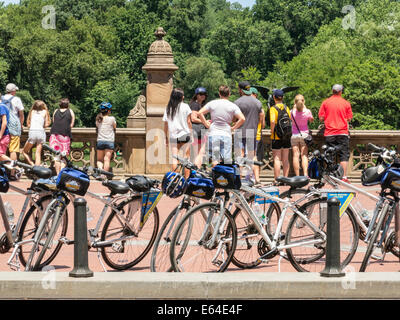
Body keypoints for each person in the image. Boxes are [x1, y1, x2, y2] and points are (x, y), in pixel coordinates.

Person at [197, 85, 245, 166]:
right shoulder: (232, 106)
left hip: (214, 133)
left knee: (215, 159)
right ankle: (224, 177)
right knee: (226, 161)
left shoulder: (213, 103)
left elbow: (200, 113)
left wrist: (206, 124)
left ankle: (215, 177)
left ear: (219, 94)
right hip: (226, 134)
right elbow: (242, 119)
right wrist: (233, 128)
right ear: (229, 94)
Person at [318, 84, 353, 183]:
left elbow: (321, 118)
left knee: (330, 155)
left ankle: (330, 176)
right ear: (341, 91)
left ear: (332, 91)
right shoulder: (346, 103)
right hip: (342, 132)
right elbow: (349, 118)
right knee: (344, 155)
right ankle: (344, 177)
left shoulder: (326, 102)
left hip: (329, 132)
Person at [234, 81, 263, 177]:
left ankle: (239, 177)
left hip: (239, 131)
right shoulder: (257, 102)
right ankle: (252, 177)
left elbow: (234, 119)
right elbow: (261, 119)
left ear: (240, 90)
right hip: (252, 131)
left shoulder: (237, 102)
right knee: (252, 155)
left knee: (240, 155)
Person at [163, 88, 193, 174]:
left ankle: (174, 179)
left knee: (175, 158)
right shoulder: (186, 106)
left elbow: (165, 125)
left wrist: (165, 136)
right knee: (186, 158)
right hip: (185, 134)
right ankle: (186, 180)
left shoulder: (168, 108)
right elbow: (188, 122)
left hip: (173, 136)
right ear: (181, 97)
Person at [1, 83, 24, 179]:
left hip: (3, 126)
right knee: (13, 150)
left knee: (2, 150)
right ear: (13, 91)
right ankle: (13, 173)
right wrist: (21, 124)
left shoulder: (1, 98)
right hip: (14, 126)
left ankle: (4, 171)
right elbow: (21, 114)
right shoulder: (17, 99)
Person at [270, 89, 291, 181]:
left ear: (274, 97)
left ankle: (277, 179)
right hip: (286, 136)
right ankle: (286, 179)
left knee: (277, 159)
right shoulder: (287, 108)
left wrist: (271, 131)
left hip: (276, 136)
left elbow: (273, 121)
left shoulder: (273, 108)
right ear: (282, 98)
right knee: (285, 159)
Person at [49, 98, 75, 174]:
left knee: (56, 156)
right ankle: (61, 174)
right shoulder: (70, 111)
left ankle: (57, 174)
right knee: (63, 156)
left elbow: (54, 122)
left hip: (54, 135)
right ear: (68, 104)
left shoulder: (55, 111)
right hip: (65, 136)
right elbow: (72, 124)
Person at [291, 94, 314, 176]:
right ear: (303, 101)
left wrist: (294, 108)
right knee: (304, 155)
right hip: (304, 135)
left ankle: (297, 175)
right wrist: (305, 108)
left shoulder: (292, 112)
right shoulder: (307, 112)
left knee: (295, 156)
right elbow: (311, 120)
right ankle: (305, 174)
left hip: (294, 135)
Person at [22, 100, 51, 166]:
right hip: (41, 132)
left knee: (24, 152)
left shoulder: (32, 112)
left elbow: (28, 124)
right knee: (37, 153)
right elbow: (46, 124)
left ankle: (32, 165)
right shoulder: (45, 112)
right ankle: (37, 170)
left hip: (32, 132)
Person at [189, 87, 208, 168]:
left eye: (204, 94)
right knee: (199, 152)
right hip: (197, 131)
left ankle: (196, 169)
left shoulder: (201, 105)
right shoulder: (195, 105)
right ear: (196, 95)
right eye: (200, 94)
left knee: (198, 152)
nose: (202, 96)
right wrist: (205, 122)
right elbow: (193, 118)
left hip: (199, 131)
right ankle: (197, 170)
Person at [96, 102, 116, 172]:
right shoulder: (112, 119)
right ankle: (104, 175)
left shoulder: (98, 119)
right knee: (107, 159)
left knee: (99, 160)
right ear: (108, 111)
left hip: (100, 140)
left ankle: (100, 170)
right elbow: (114, 127)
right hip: (109, 141)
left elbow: (97, 127)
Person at [251, 87, 265, 184]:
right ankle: (257, 178)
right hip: (257, 135)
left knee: (246, 157)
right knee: (256, 157)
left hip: (245, 134)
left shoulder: (244, 105)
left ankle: (250, 178)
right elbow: (263, 124)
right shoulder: (259, 106)